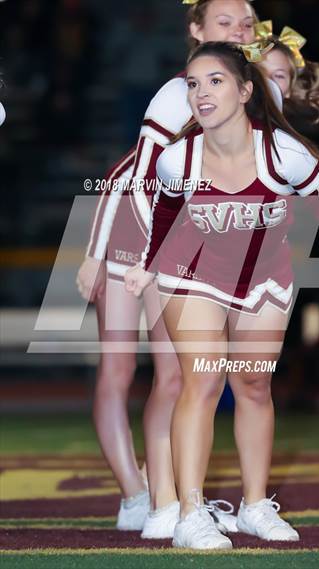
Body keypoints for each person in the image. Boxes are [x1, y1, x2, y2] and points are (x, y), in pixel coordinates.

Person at [124, 41, 319, 549]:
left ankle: (255, 507)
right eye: (192, 84)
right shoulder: (176, 159)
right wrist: (146, 267)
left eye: (215, 81)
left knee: (254, 386)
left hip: (265, 277)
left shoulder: (284, 154)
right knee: (203, 381)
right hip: (192, 274)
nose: (201, 92)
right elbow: (164, 216)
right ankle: (190, 513)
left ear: (245, 90)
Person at [76, 0, 275, 539]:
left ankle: (169, 498)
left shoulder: (249, 91)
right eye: (224, 21)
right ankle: (138, 496)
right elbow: (131, 174)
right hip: (136, 230)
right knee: (121, 370)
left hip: (180, 239)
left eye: (246, 22)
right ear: (195, 30)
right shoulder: (177, 91)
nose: (238, 30)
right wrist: (108, 253)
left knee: (176, 376)